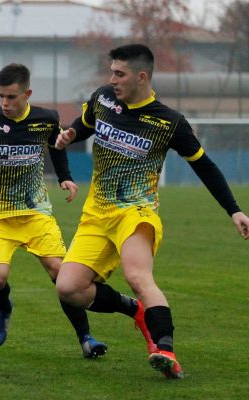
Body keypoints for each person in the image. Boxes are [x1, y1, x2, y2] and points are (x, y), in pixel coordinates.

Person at [54, 43, 249, 379]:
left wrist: (234, 210)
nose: (112, 79)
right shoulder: (104, 98)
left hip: (136, 213)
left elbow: (205, 166)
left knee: (137, 275)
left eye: (120, 73)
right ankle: (135, 311)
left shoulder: (169, 122)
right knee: (68, 288)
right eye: (111, 72)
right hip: (96, 214)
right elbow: (84, 124)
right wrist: (70, 134)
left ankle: (165, 349)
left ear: (141, 76)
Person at [0, 63, 110, 358]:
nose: (5, 103)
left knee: (61, 273)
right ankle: (4, 310)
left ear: (27, 93)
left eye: (12, 97)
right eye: (1, 96)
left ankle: (86, 338)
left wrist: (65, 177)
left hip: (36, 214)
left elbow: (57, 147)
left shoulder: (46, 119)